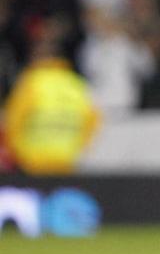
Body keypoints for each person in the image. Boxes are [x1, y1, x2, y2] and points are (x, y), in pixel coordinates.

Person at [3, 36, 100, 175]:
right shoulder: (76, 84)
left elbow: (13, 121)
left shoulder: (31, 82)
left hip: (34, 163)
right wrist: (77, 150)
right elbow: (93, 122)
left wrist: (20, 154)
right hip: (67, 161)